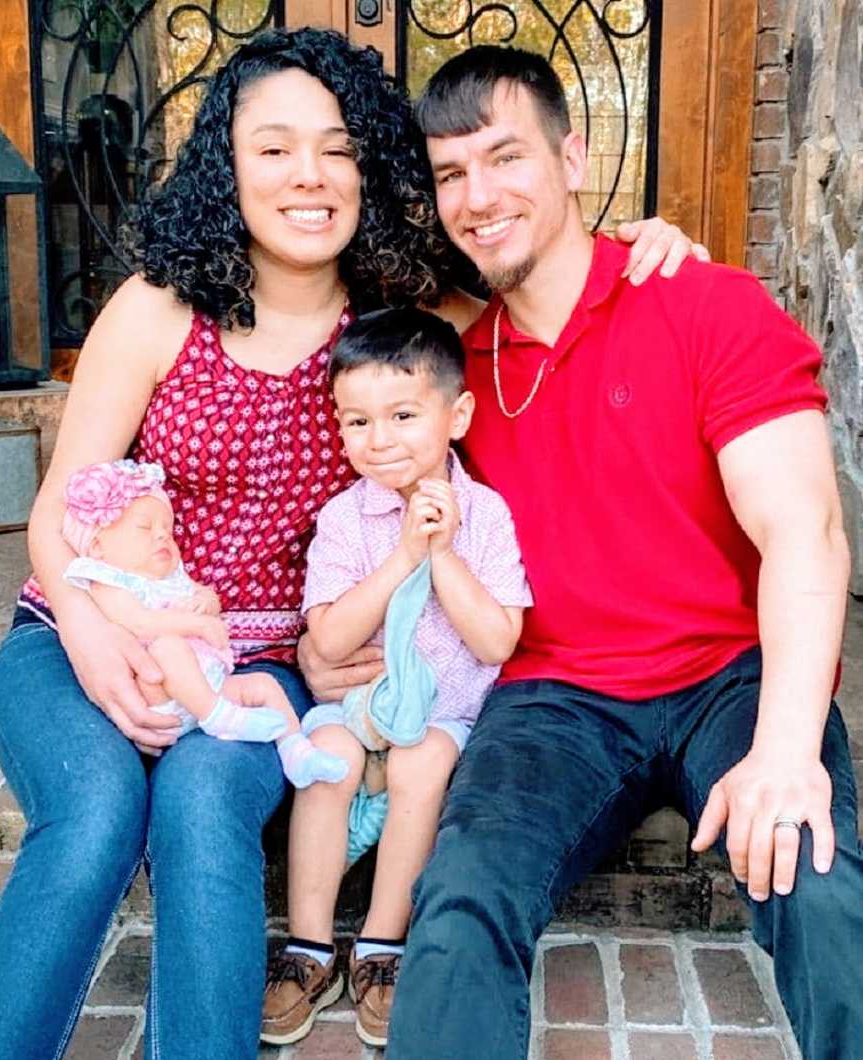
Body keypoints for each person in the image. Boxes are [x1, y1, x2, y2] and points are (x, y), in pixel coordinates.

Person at [0, 25, 702, 1060]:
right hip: (83, 630)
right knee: (90, 818)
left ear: (371, 168)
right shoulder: (156, 309)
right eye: (274, 148)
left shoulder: (399, 325)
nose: (309, 176)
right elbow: (56, 512)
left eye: (340, 147)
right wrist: (92, 638)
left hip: (266, 673)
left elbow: (543, 276)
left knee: (202, 813)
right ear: (229, 163)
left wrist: (646, 242)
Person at [296, 46, 863, 1060]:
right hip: (553, 694)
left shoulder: (706, 303)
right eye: (453, 172)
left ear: (573, 157)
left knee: (813, 875)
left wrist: (784, 750)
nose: (479, 195)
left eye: (506, 156)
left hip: (730, 676)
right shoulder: (449, 366)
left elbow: (807, 529)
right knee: (460, 895)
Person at [262, 307, 532, 1048]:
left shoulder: (485, 516)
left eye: (403, 414)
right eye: (355, 422)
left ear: (457, 414)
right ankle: (310, 947)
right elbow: (330, 633)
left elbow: (497, 638)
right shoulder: (345, 520)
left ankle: (382, 946)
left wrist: (442, 554)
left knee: (425, 760)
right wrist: (401, 558)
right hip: (354, 709)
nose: (377, 441)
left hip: (439, 715)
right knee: (327, 762)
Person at [60, 458, 348, 785]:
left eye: (167, 530)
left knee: (264, 686)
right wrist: (196, 626)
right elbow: (140, 624)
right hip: (157, 693)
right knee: (168, 647)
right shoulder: (109, 581)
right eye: (145, 528)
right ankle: (218, 716)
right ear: (97, 545)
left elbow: (203, 594)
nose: (161, 537)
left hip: (205, 684)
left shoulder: (170, 575)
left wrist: (207, 601)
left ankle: (296, 751)